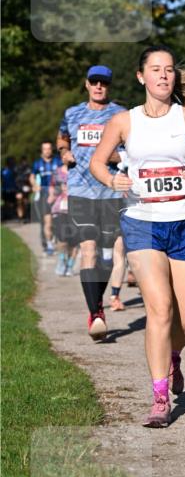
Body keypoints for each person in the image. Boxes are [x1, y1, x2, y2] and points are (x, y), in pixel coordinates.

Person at [90, 46, 185, 428]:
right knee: (160, 309)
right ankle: (160, 396)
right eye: (156, 70)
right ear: (141, 77)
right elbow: (98, 162)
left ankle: (173, 354)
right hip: (142, 221)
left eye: (169, 70)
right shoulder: (123, 121)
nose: (164, 76)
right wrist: (112, 178)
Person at [57, 66, 126, 341]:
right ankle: (96, 313)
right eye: (94, 82)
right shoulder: (72, 113)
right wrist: (64, 151)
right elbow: (62, 137)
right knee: (88, 249)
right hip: (80, 191)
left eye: (104, 83)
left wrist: (114, 158)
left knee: (109, 255)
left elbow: (132, 151)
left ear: (109, 86)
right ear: (86, 84)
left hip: (110, 191)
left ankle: (97, 303)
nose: (99, 87)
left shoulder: (121, 115)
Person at [30, 141, 62, 253]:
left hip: (58, 193)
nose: (47, 151)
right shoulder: (37, 163)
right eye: (45, 149)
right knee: (46, 221)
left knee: (59, 220)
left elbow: (64, 174)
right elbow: (32, 177)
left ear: (51, 149)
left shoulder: (58, 161)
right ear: (42, 150)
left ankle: (60, 242)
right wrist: (35, 185)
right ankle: (47, 244)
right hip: (44, 193)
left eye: (49, 148)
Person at [48, 161, 78, 276]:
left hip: (77, 211)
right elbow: (52, 188)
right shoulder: (57, 173)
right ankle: (62, 260)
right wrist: (52, 196)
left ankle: (70, 265)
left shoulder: (80, 171)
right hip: (60, 212)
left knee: (74, 242)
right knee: (62, 239)